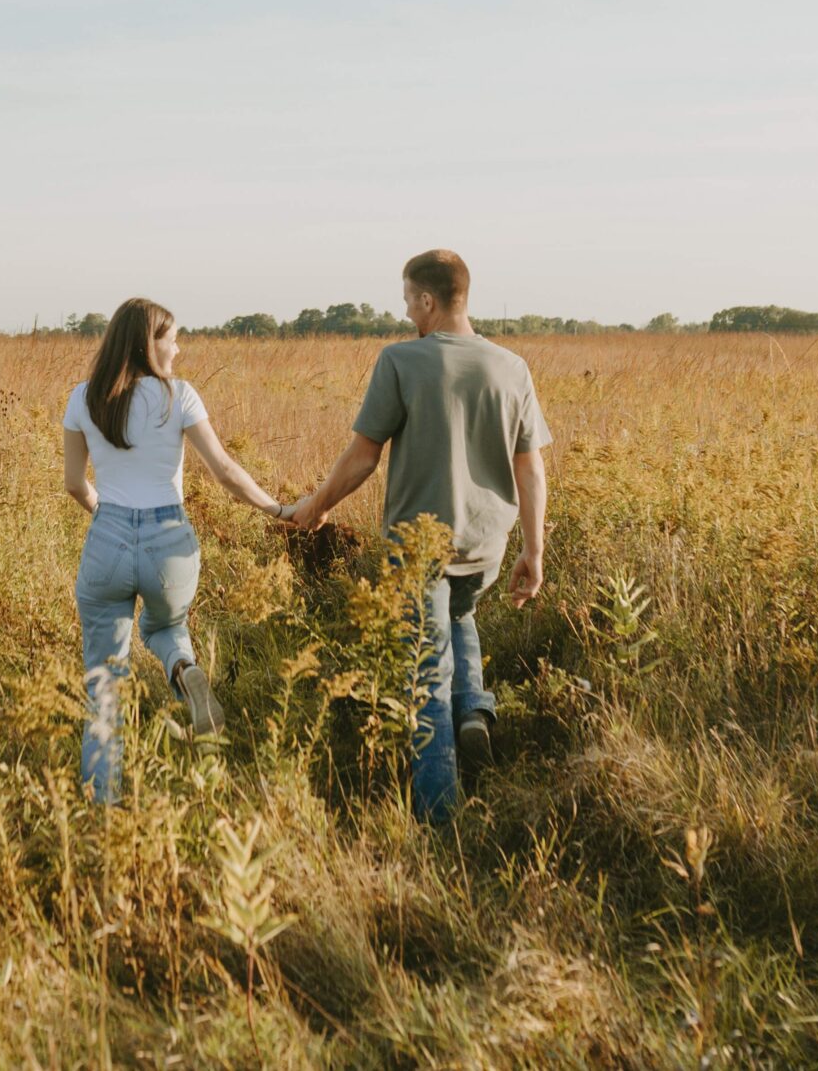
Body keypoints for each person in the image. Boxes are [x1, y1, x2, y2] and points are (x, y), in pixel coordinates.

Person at [288, 249, 550, 821]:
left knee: (426, 673)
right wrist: (533, 551)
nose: (406, 311)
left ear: (428, 300)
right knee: (459, 616)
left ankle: (439, 817)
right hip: (486, 545)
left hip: (420, 549)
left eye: (408, 299)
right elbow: (530, 469)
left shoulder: (401, 362)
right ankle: (475, 713)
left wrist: (316, 505)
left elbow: (362, 458)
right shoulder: (512, 367)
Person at [63, 297, 293, 804]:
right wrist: (278, 510)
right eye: (172, 338)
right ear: (150, 343)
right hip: (170, 541)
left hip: (108, 540)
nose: (178, 348)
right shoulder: (180, 397)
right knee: (165, 627)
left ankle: (103, 804)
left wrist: (106, 513)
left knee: (104, 679)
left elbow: (74, 484)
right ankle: (182, 670)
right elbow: (226, 473)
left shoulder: (83, 398)